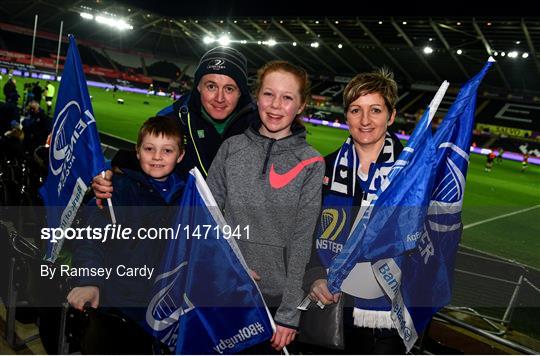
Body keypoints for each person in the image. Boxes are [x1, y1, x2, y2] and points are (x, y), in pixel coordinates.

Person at [206, 60, 325, 352]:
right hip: (223, 289)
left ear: (301, 105)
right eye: (269, 94)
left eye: (287, 98)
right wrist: (230, 267)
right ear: (257, 96)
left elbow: (301, 243)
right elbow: (205, 219)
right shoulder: (231, 148)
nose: (275, 105)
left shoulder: (311, 163)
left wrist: (289, 314)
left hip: (274, 304)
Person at [303, 68, 406, 354]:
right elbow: (305, 232)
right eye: (355, 110)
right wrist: (314, 275)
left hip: (387, 314)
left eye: (375, 110)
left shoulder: (411, 174)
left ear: (391, 116)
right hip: (330, 304)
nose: (364, 121)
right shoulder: (323, 167)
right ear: (346, 115)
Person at [91, 46, 256, 203]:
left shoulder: (260, 124)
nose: (219, 98)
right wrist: (108, 172)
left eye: (229, 89)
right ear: (198, 86)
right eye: (211, 86)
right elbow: (146, 155)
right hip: (184, 217)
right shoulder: (171, 119)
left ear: (241, 91)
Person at [67, 115, 186, 318]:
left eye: (167, 150)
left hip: (165, 305)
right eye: (149, 149)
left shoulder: (187, 197)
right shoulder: (116, 191)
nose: (157, 156)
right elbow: (90, 241)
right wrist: (89, 281)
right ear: (137, 152)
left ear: (180, 155)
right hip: (117, 298)